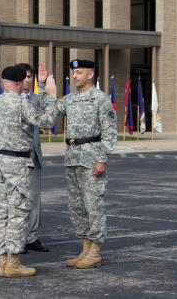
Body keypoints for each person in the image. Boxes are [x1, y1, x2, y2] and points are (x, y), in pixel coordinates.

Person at [0, 66, 57, 278]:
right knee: (17, 214)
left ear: (4, 81)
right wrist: (51, 97)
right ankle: (13, 263)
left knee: (1, 215)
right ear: (19, 82)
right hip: (17, 164)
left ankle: (2, 262)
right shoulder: (21, 104)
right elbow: (47, 121)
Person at [54, 59, 117, 269]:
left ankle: (96, 251)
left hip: (91, 158)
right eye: (73, 73)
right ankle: (85, 249)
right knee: (77, 206)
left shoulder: (101, 99)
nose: (75, 76)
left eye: (79, 72)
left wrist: (102, 159)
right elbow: (52, 109)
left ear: (90, 75)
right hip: (72, 156)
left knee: (93, 205)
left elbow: (109, 132)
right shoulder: (70, 99)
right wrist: (47, 87)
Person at [16, 63, 50, 253]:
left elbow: (47, 109)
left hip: (34, 156)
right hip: (17, 158)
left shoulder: (35, 99)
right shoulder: (12, 100)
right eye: (24, 77)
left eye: (30, 76)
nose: (27, 80)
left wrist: (43, 84)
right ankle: (17, 237)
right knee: (17, 199)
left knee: (34, 198)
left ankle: (31, 236)